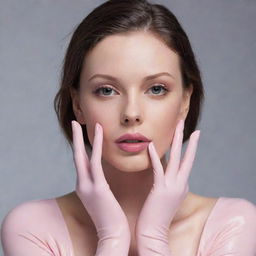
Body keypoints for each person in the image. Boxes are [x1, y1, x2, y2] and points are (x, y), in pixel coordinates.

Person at [1, 0, 256, 255]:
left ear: (185, 101)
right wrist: (112, 236)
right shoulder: (32, 228)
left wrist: (152, 236)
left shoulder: (234, 224)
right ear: (78, 104)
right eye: (107, 90)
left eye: (156, 89)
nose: (131, 114)